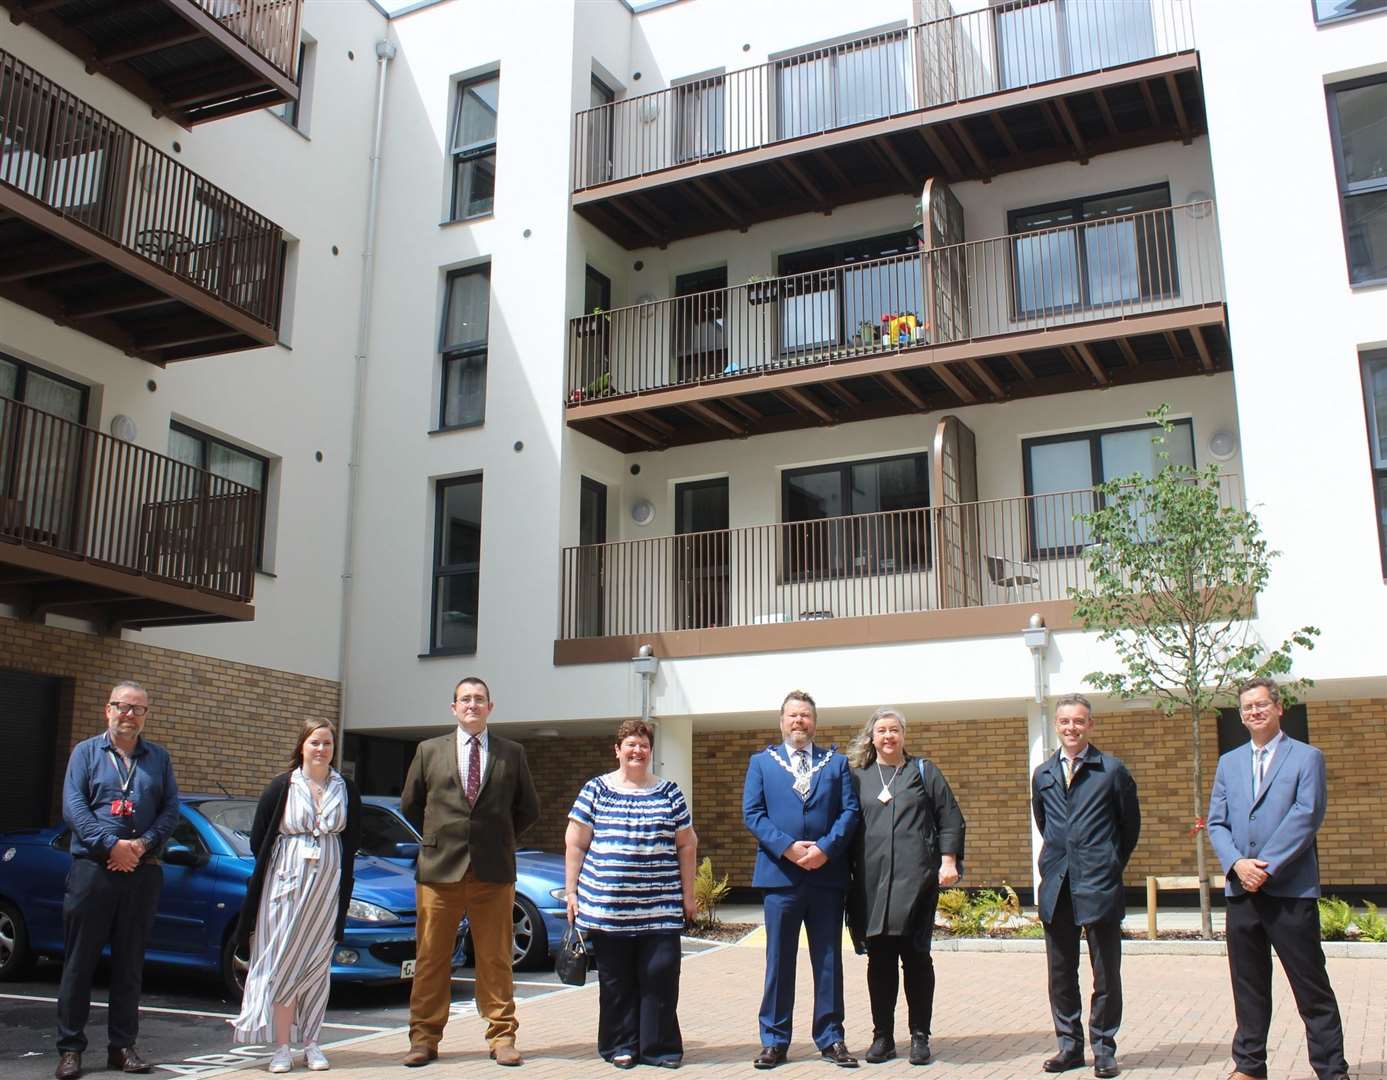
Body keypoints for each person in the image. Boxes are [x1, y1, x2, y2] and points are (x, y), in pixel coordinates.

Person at [1206, 678, 1350, 1080]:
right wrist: (1237, 864)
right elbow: (1216, 822)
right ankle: (1250, 1067)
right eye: (1247, 707)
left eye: (1261, 705)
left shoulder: (1306, 758)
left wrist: (1263, 866)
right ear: (1241, 714)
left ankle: (1332, 1071)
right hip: (1242, 893)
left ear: (1278, 707)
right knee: (1248, 987)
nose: (1254, 712)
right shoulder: (1228, 762)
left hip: (1289, 892)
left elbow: (1306, 816)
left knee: (1311, 988)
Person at [400, 676, 540, 1068]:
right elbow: (411, 804)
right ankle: (423, 1039)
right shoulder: (429, 751)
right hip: (439, 871)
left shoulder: (512, 753)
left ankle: (503, 1037)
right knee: (431, 958)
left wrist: (496, 837)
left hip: (493, 871)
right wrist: (440, 837)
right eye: (465, 699)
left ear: (490, 708)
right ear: (454, 707)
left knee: (495, 957)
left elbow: (528, 808)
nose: (472, 705)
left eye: (480, 700)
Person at [54, 681, 179, 1080]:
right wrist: (111, 845)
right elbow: (74, 807)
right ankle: (70, 1049)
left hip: (142, 872)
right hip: (93, 870)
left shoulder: (157, 758)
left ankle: (122, 1047)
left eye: (137, 709)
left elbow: (170, 810)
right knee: (79, 963)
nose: (128, 714)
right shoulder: (86, 753)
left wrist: (140, 845)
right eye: (122, 707)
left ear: (146, 715)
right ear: (108, 710)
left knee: (129, 964)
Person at [564, 719, 698, 1068]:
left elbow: (686, 844)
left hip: (661, 908)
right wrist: (572, 892)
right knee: (616, 982)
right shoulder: (596, 790)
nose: (637, 751)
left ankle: (659, 1048)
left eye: (643, 745)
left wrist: (688, 895)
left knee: (661, 977)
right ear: (618, 750)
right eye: (630, 745)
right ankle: (619, 1046)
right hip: (608, 909)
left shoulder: (669, 792)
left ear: (650, 751)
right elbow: (575, 843)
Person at [232, 720, 362, 1073]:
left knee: (317, 966)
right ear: (302, 746)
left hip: (326, 889)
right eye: (315, 743)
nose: (321, 750)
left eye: (328, 744)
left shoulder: (345, 788)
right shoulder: (282, 787)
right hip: (286, 886)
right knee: (282, 963)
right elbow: (260, 840)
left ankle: (312, 1042)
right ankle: (281, 1046)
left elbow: (351, 841)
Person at [742, 689, 861, 1070]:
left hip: (826, 877)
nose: (799, 722)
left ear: (814, 722)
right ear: (781, 722)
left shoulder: (835, 763)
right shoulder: (762, 763)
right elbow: (753, 814)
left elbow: (849, 813)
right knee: (779, 960)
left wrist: (824, 849)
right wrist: (789, 848)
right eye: (792, 715)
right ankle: (774, 1040)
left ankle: (831, 1037)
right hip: (781, 877)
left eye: (805, 716)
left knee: (828, 959)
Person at [846, 707, 965, 1067]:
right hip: (871, 885)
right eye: (881, 730)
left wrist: (948, 861)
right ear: (872, 737)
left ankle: (919, 1036)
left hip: (917, 885)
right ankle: (882, 1036)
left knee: (916, 959)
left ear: (903, 735)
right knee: (879, 961)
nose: (888, 736)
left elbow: (951, 818)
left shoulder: (922, 772)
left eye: (894, 730)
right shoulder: (858, 777)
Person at [1031, 694, 1140, 1080]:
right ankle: (1070, 1046)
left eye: (1078, 721)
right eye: (1064, 722)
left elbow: (1129, 828)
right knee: (1061, 973)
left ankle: (1104, 1048)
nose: (1071, 728)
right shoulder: (1043, 774)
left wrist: (1107, 861)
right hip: (1057, 885)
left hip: (1099, 884)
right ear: (1056, 725)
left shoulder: (1111, 771)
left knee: (1105, 972)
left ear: (1090, 725)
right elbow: (1045, 824)